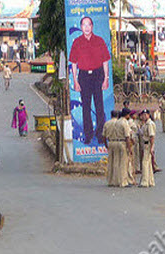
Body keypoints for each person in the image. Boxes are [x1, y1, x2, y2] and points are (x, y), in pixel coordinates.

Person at [69, 16, 111, 145]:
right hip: (84, 77)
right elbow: (74, 63)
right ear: (81, 27)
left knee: (99, 106)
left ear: (92, 26)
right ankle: (88, 135)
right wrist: (75, 81)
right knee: (85, 107)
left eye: (89, 25)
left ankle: (100, 134)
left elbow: (105, 61)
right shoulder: (77, 42)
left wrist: (106, 79)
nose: (87, 27)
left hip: (97, 75)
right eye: (84, 25)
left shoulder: (99, 41)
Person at [139, 109, 156, 187]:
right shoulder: (145, 124)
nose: (144, 116)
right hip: (145, 144)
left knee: (145, 163)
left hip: (148, 144)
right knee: (148, 163)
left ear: (149, 115)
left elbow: (152, 136)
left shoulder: (149, 124)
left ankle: (145, 181)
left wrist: (152, 147)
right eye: (143, 115)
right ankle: (150, 181)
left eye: (146, 115)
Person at [102, 110, 120, 186]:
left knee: (110, 162)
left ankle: (110, 180)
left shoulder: (107, 123)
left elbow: (104, 136)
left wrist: (106, 144)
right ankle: (116, 180)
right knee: (117, 162)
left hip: (110, 142)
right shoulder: (119, 123)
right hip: (118, 142)